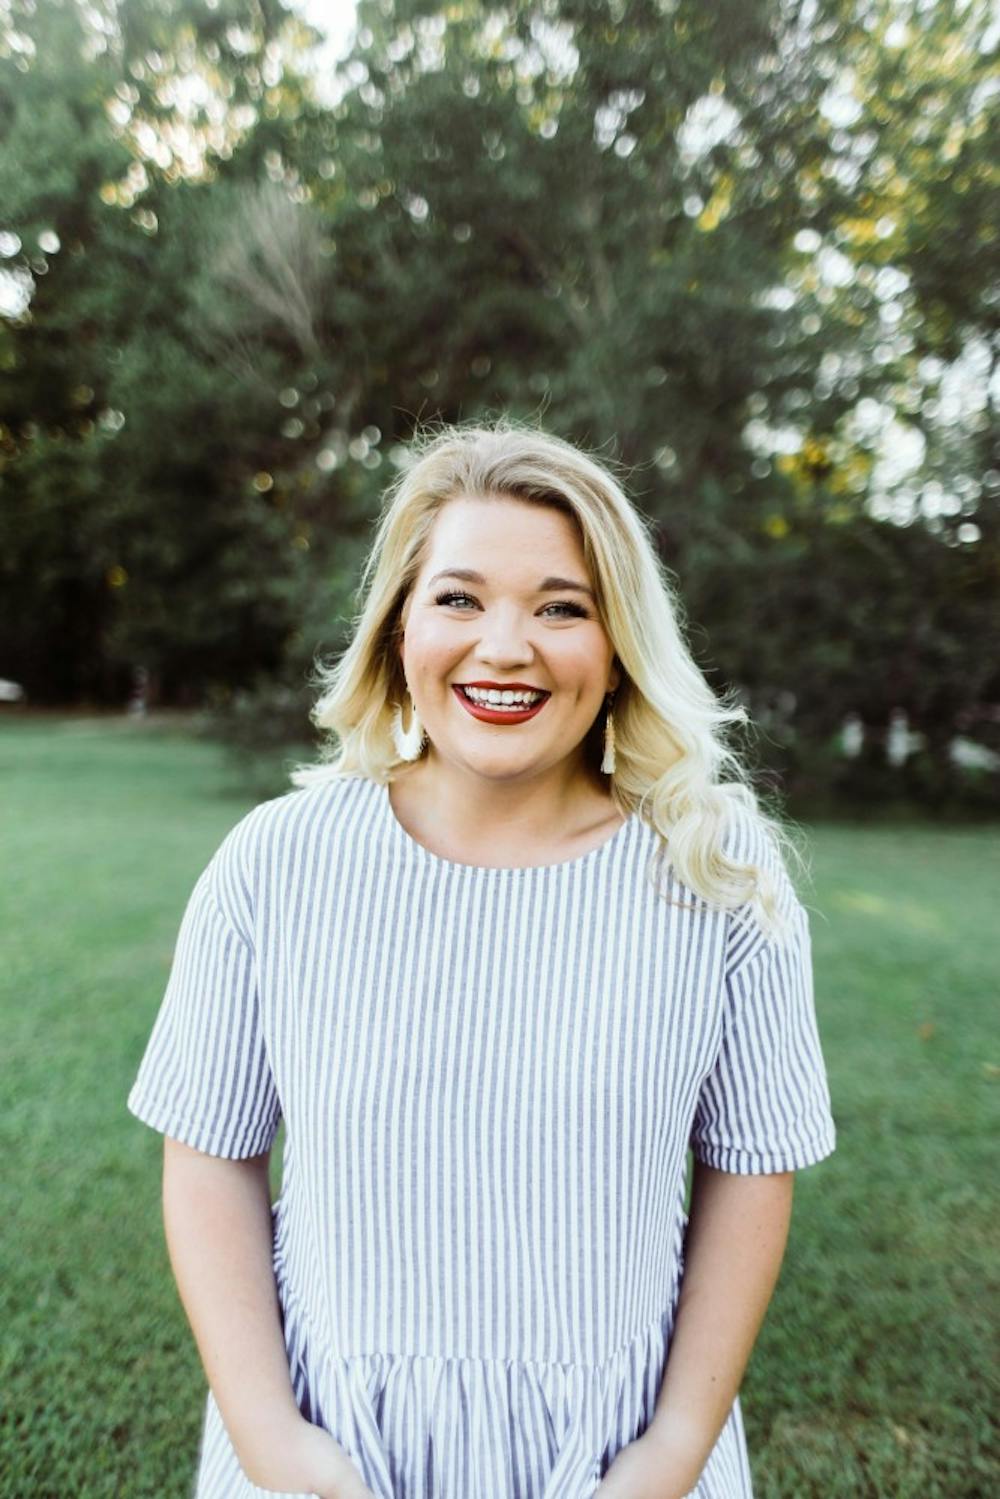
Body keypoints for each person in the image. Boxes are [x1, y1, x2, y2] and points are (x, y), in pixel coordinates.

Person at [127, 418, 837, 1499]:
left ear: (618, 646)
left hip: (615, 1454)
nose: (505, 647)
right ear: (397, 629)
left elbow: (750, 1169)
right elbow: (211, 1152)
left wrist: (673, 1449)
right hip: (330, 1442)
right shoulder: (276, 861)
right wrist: (271, 1439)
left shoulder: (718, 873)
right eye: (459, 597)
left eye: (561, 607)